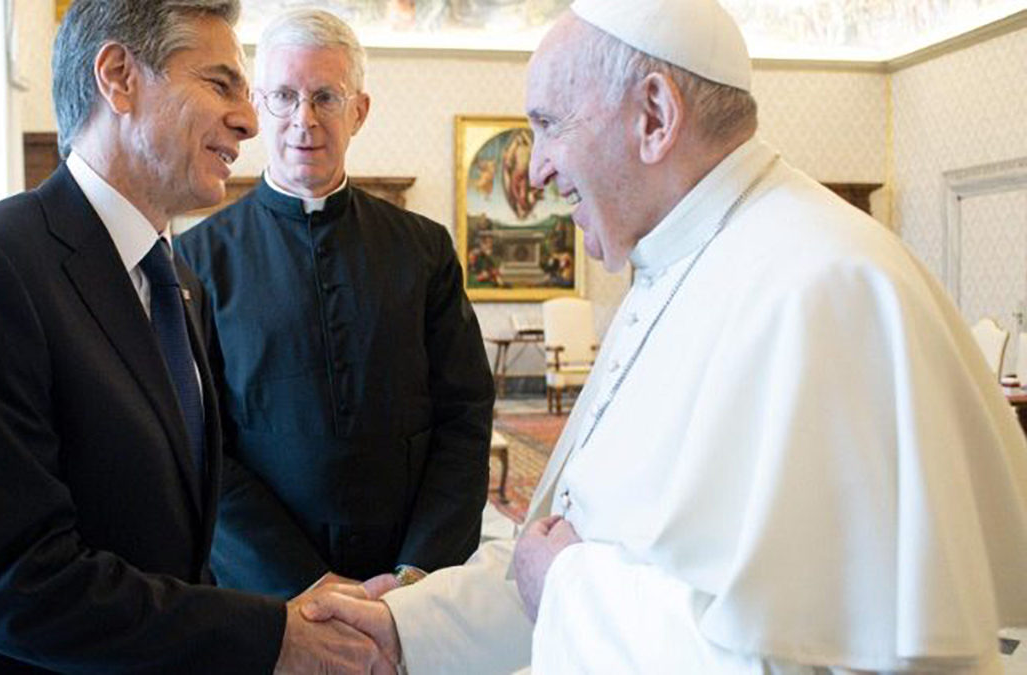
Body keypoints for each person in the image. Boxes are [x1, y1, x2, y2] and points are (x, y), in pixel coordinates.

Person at [302, 0, 1027, 672]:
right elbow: (569, 547)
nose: (542, 164)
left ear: (654, 114)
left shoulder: (824, 288)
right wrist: (403, 626)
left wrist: (568, 584)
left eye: (550, 123)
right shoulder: (677, 264)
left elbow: (799, 655)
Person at [0, 1, 393, 672]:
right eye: (220, 82)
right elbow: (14, 582)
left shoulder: (178, 282)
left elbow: (166, 548)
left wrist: (292, 613)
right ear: (118, 76)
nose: (248, 118)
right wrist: (270, 634)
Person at [176, 8, 494, 600]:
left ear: (359, 111)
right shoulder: (196, 262)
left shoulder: (423, 250)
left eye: (326, 96)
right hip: (267, 590)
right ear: (256, 105)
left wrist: (417, 572)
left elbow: (465, 415)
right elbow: (198, 447)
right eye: (284, 96)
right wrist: (305, 582)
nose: (305, 120)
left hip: (404, 585)